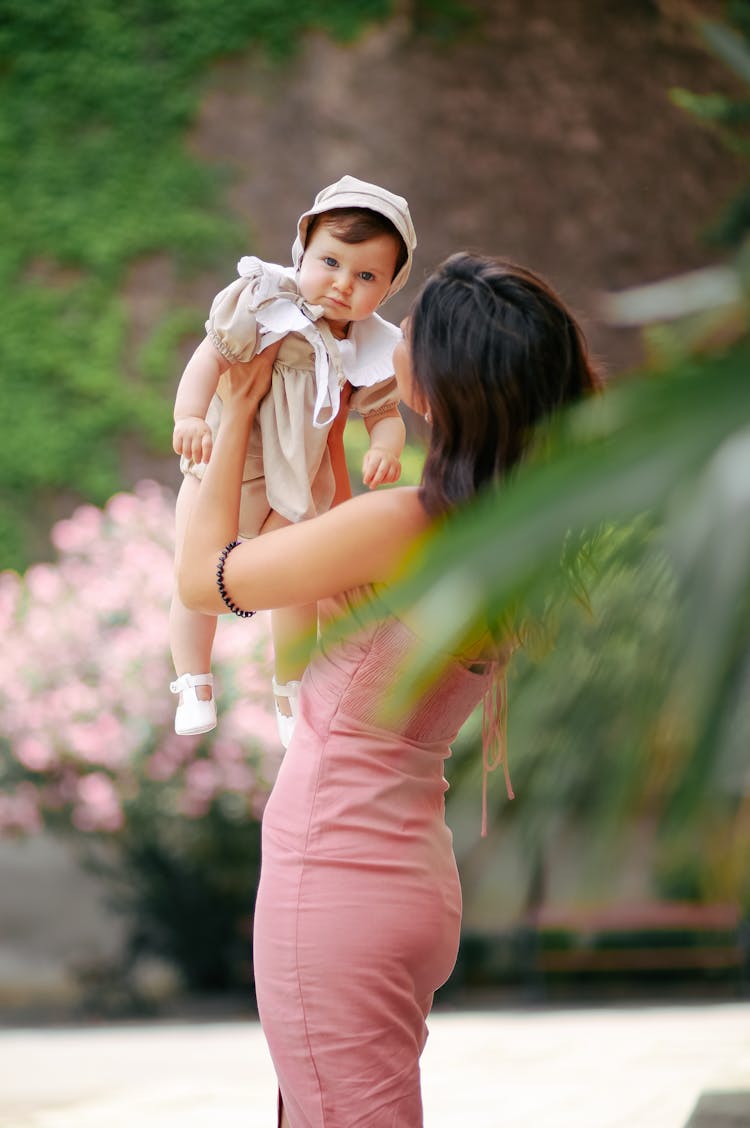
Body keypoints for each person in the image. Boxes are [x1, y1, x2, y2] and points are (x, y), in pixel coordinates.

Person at [178, 251, 601, 1126]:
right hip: (404, 883)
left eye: (411, 325)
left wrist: (242, 409)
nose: (390, 329)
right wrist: (325, 429)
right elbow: (334, 556)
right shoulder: (500, 532)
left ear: (443, 377)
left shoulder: (404, 525)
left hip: (336, 885)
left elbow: (205, 579)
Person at [170, 175, 417, 743]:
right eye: (330, 261)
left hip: (302, 483)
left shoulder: (370, 343)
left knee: (297, 588)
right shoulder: (260, 302)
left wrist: (385, 447)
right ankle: (193, 679)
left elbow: (383, 412)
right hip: (221, 472)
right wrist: (188, 416)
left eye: (366, 276)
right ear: (302, 250)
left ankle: (290, 690)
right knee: (191, 576)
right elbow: (208, 360)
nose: (341, 284)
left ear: (389, 287)